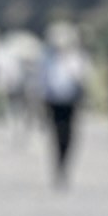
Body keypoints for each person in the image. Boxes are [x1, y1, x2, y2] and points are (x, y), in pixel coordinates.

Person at [37, 22, 87, 186]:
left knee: (69, 135)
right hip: (53, 101)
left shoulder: (76, 58)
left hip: (71, 101)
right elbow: (42, 81)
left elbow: (82, 78)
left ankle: (65, 162)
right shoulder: (47, 58)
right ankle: (58, 164)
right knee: (56, 134)